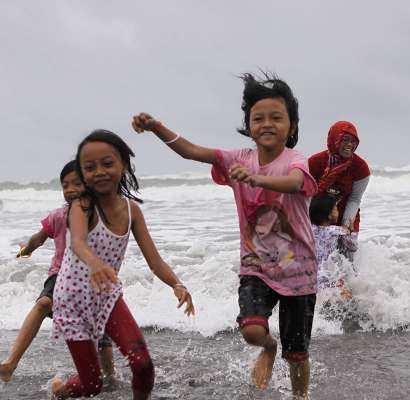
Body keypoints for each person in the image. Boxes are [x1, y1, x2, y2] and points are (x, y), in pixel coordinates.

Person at [132, 72, 318, 399]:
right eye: (258, 118)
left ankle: (300, 396)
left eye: (277, 117)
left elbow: (293, 182)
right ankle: (268, 347)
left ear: (291, 125)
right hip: (256, 266)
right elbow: (191, 151)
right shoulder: (237, 159)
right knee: (251, 329)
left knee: (298, 353)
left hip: (298, 271)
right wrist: (156, 127)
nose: (267, 124)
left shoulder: (295, 161)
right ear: (248, 125)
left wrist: (259, 181)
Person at [50, 130, 194, 400]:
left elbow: (155, 260)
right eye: (89, 167)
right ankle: (60, 391)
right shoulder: (82, 206)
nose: (99, 172)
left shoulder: (132, 211)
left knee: (143, 365)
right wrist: (95, 264)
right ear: (82, 173)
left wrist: (177, 284)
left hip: (106, 294)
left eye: (108, 163)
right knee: (92, 385)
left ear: (123, 165)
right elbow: (78, 242)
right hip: (72, 299)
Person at [0, 161, 115, 382]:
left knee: (100, 333)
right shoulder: (58, 216)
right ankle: (10, 364)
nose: (70, 190)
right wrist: (24, 251)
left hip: (93, 282)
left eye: (76, 183)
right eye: (65, 186)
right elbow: (39, 238)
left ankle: (109, 376)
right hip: (61, 275)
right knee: (44, 304)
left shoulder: (100, 215)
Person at [308, 121, 370, 260]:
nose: (350, 144)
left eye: (354, 141)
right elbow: (304, 195)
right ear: (334, 139)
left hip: (346, 215)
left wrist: (346, 226)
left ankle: (350, 281)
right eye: (345, 139)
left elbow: (354, 199)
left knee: (346, 256)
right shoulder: (314, 162)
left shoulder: (361, 168)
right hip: (318, 217)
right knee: (313, 256)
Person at [309, 191, 356, 299]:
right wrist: (350, 232)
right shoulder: (335, 230)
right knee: (348, 298)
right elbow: (353, 247)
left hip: (310, 277)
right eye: (336, 208)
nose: (338, 211)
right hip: (329, 276)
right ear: (329, 215)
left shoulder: (308, 228)